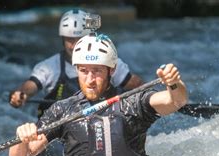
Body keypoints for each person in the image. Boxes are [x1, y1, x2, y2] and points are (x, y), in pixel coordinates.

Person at [9, 33, 188, 156]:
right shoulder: (63, 110)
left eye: (97, 71)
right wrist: (22, 138)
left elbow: (176, 101)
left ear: (112, 70)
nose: (90, 79)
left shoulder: (133, 102)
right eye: (84, 71)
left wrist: (174, 83)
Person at [8, 9, 144, 117]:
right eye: (69, 39)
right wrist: (21, 94)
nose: (73, 46)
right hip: (59, 128)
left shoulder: (109, 63)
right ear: (62, 39)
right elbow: (30, 86)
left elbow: (138, 87)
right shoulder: (49, 67)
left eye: (78, 39)